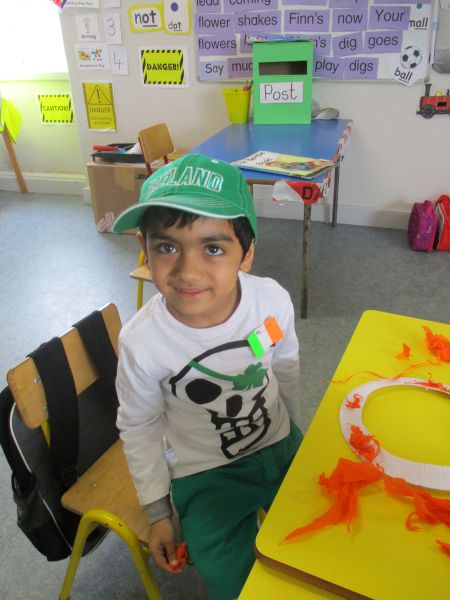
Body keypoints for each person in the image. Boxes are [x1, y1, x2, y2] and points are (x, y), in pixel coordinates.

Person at [112, 153, 303, 600]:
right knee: (234, 583)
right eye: (167, 247)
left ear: (247, 253)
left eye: (213, 248)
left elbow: (285, 365)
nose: (188, 271)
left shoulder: (271, 301)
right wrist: (159, 512)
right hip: (205, 474)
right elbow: (139, 426)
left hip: (281, 443)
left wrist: (297, 431)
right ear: (144, 248)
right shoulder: (142, 342)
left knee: (323, 545)